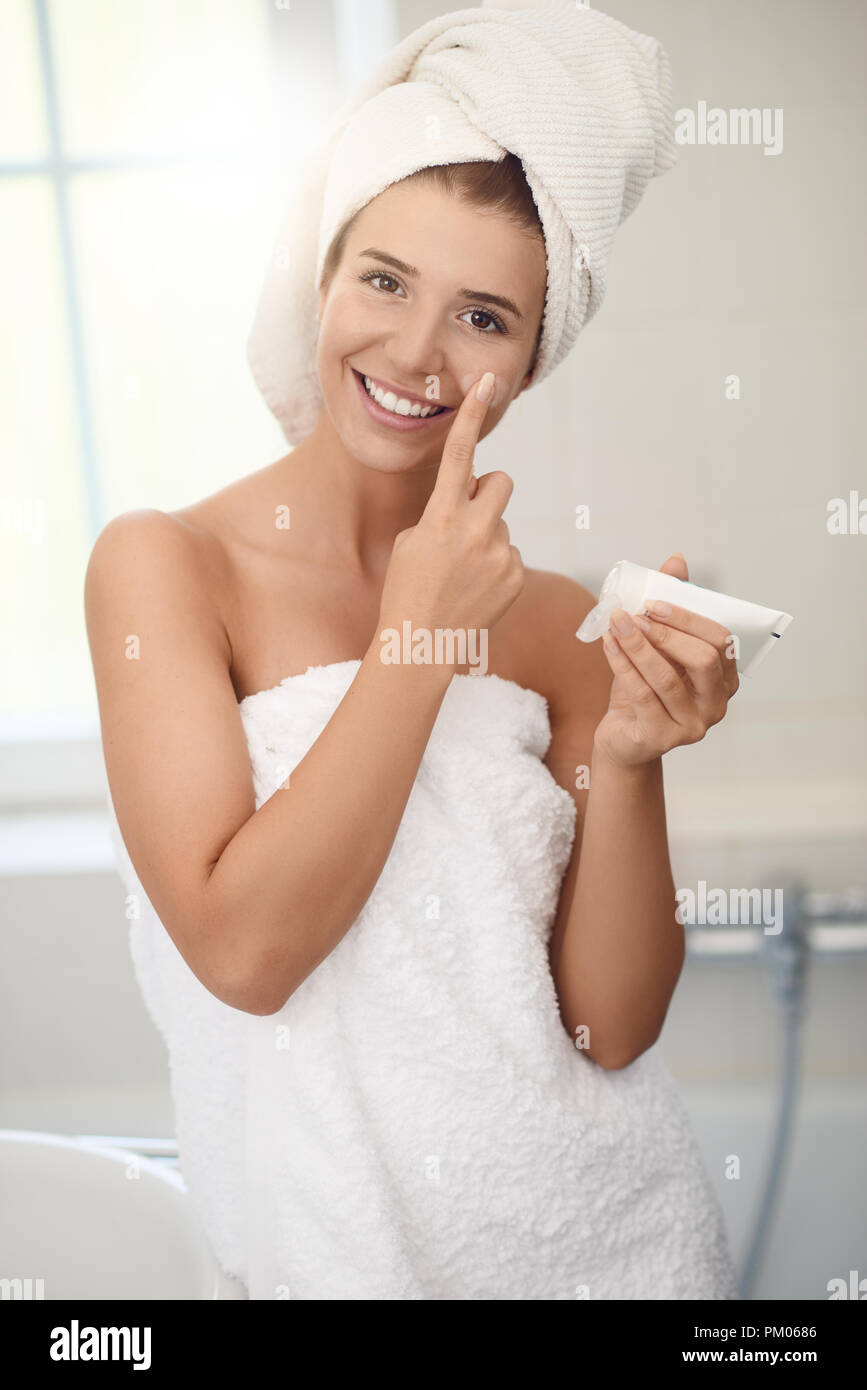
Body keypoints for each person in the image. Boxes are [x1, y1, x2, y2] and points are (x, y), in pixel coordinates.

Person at [85, 2, 741, 1299]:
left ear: (532, 359)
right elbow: (244, 954)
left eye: (482, 316)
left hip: (608, 1254)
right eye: (383, 280)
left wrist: (629, 749)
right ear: (321, 276)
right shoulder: (167, 568)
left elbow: (611, 1026)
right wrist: (425, 634)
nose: (413, 352)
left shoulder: (558, 623)